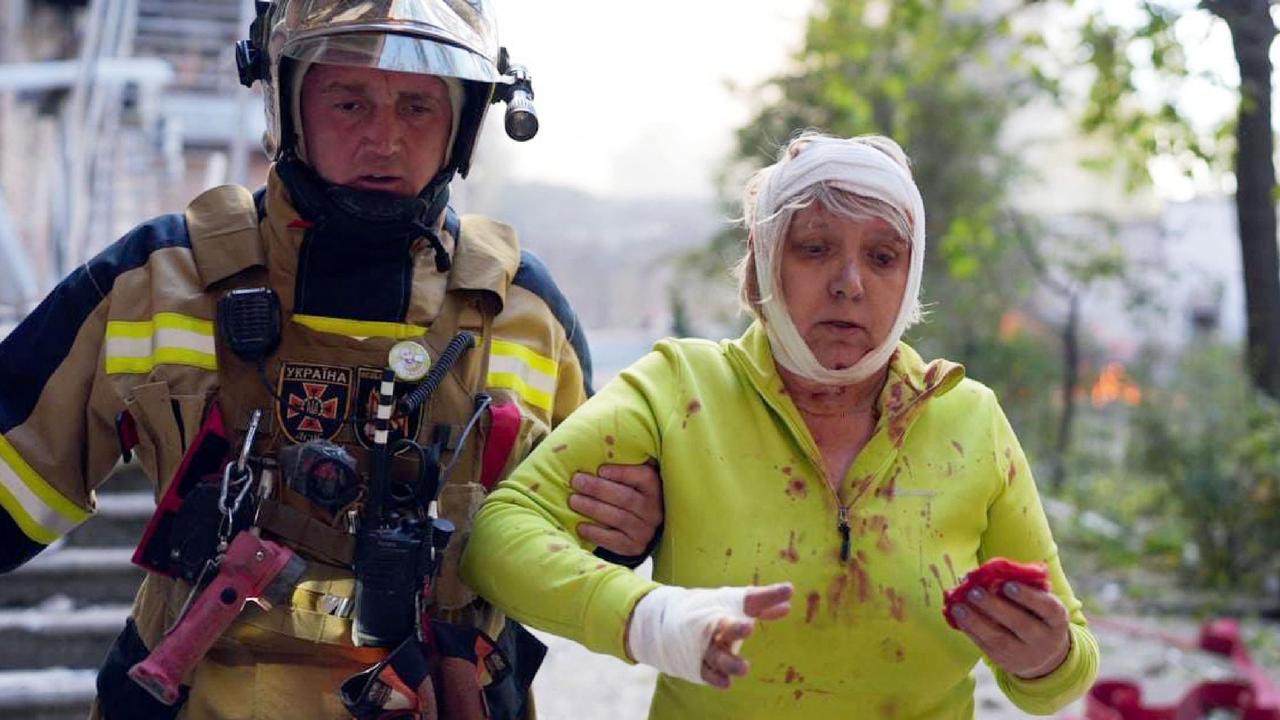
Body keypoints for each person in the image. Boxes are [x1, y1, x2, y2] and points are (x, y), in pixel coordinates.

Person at [0, 2, 663, 718]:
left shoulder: (525, 312)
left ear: (466, 121)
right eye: (349, 102)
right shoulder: (156, 283)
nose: (384, 138)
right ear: (288, 106)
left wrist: (628, 533)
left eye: (417, 105)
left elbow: (582, 551)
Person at [462, 132, 1101, 718]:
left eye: (883, 256)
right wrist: (649, 617)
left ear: (911, 278)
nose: (849, 283)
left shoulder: (969, 417)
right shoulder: (678, 392)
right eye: (815, 248)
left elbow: (1067, 667)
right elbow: (498, 538)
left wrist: (1044, 658)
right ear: (763, 265)